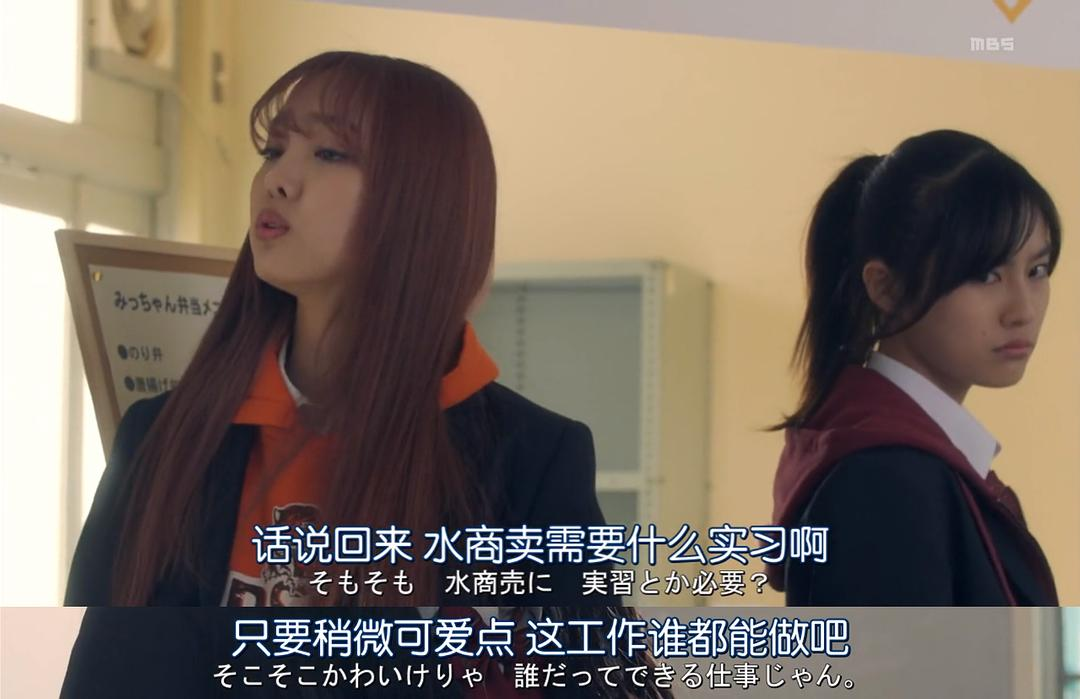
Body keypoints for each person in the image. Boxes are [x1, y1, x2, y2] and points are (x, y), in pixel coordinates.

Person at [65, 51, 609, 608]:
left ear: (422, 202)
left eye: (328, 153)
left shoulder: (531, 460)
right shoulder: (161, 435)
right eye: (273, 150)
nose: (277, 179)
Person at [770, 129, 1061, 605]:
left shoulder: (913, 462)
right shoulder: (885, 481)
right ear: (886, 288)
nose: (1023, 310)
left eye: (1037, 271)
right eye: (985, 274)